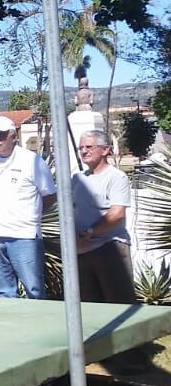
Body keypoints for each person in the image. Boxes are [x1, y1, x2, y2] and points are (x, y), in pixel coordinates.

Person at [0, 116, 56, 299]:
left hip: (24, 237)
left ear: (13, 136)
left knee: (33, 289)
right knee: (1, 292)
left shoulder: (32, 161)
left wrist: (30, 217)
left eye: (1, 135)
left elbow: (49, 196)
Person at [71, 130, 136, 303]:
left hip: (110, 248)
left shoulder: (116, 177)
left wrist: (90, 232)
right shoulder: (77, 179)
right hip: (82, 251)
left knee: (119, 304)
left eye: (89, 147)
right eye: (81, 148)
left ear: (105, 150)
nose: (84, 151)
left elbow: (117, 213)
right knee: (90, 306)